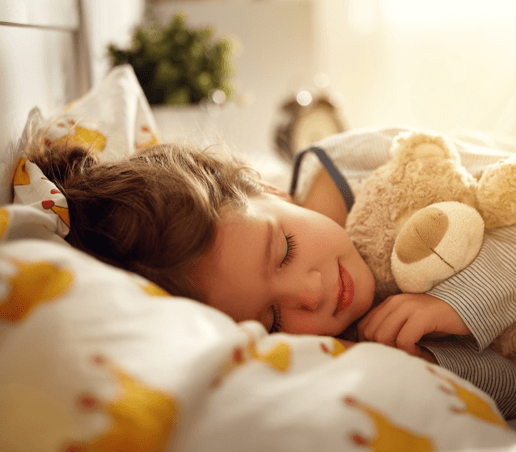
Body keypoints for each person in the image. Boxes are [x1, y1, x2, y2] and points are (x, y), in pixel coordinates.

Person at [26, 126, 516, 419]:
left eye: (284, 249)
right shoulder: (341, 342)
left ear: (270, 191)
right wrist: (431, 364)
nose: (311, 291)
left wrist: (456, 303)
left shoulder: (366, 164)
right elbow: (507, 384)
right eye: (274, 320)